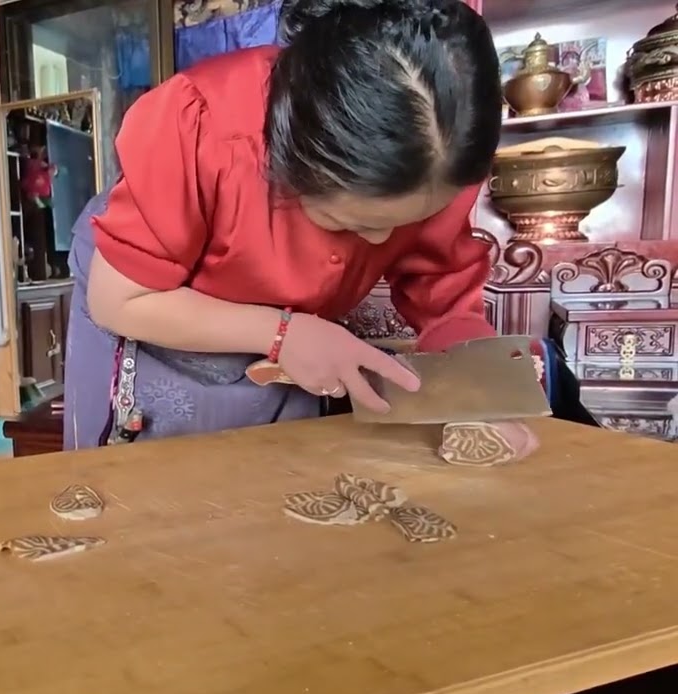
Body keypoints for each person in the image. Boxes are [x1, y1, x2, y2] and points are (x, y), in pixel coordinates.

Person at [63, 0, 534, 455]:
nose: (379, 245)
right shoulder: (202, 127)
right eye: (352, 223)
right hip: (147, 294)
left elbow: (446, 299)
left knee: (281, 470)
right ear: (293, 163)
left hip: (297, 323)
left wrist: (483, 389)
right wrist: (283, 334)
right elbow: (119, 301)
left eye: (407, 222)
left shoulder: (440, 162)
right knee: (157, 478)